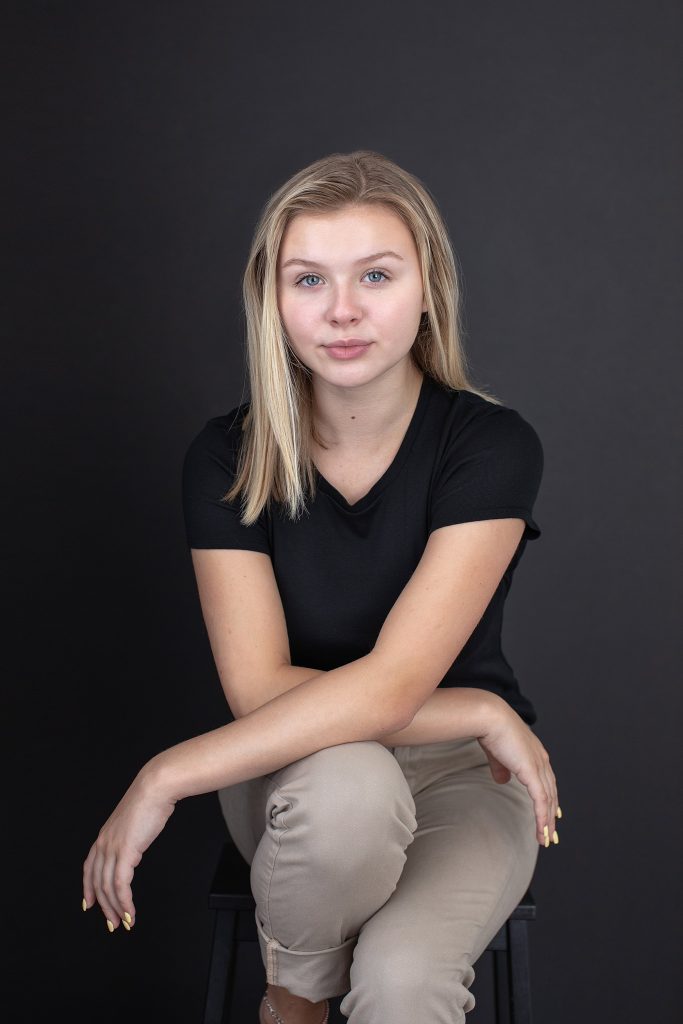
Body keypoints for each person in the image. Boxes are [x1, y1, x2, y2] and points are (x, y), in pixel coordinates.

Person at [82, 149, 561, 1024]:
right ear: (272, 299)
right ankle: (293, 1005)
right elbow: (257, 691)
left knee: (404, 985)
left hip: (463, 777)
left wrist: (164, 775)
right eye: (308, 279)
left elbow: (393, 685)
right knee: (350, 788)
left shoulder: (490, 446)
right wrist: (481, 707)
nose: (342, 310)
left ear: (427, 289)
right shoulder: (227, 455)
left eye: (375, 275)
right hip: (291, 765)